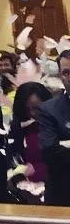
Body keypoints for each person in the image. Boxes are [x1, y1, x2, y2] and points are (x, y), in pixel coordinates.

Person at [38, 48, 70, 206]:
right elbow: (50, 152)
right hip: (64, 193)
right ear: (60, 76)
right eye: (66, 72)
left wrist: (65, 143)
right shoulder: (49, 109)